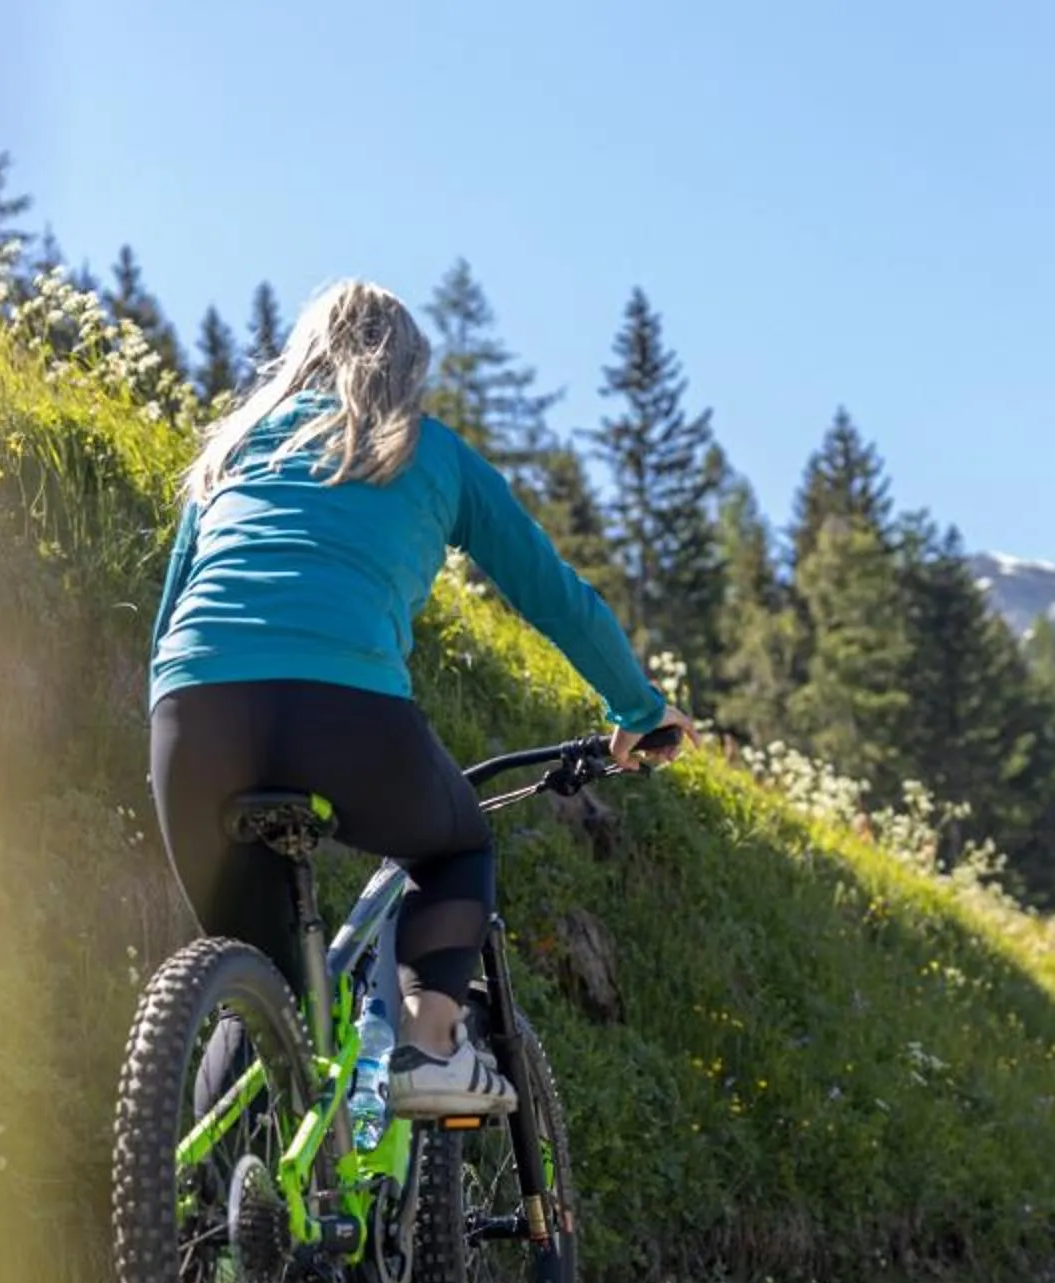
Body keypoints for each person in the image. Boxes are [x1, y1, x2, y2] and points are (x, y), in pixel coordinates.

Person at [147, 278, 693, 1117]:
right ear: (408, 368)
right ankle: (429, 1041)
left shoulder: (232, 449)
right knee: (456, 848)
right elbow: (552, 594)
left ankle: (207, 1231)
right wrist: (637, 709)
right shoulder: (427, 451)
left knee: (260, 990)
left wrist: (172, 744)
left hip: (191, 716)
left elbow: (170, 616)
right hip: (343, 708)